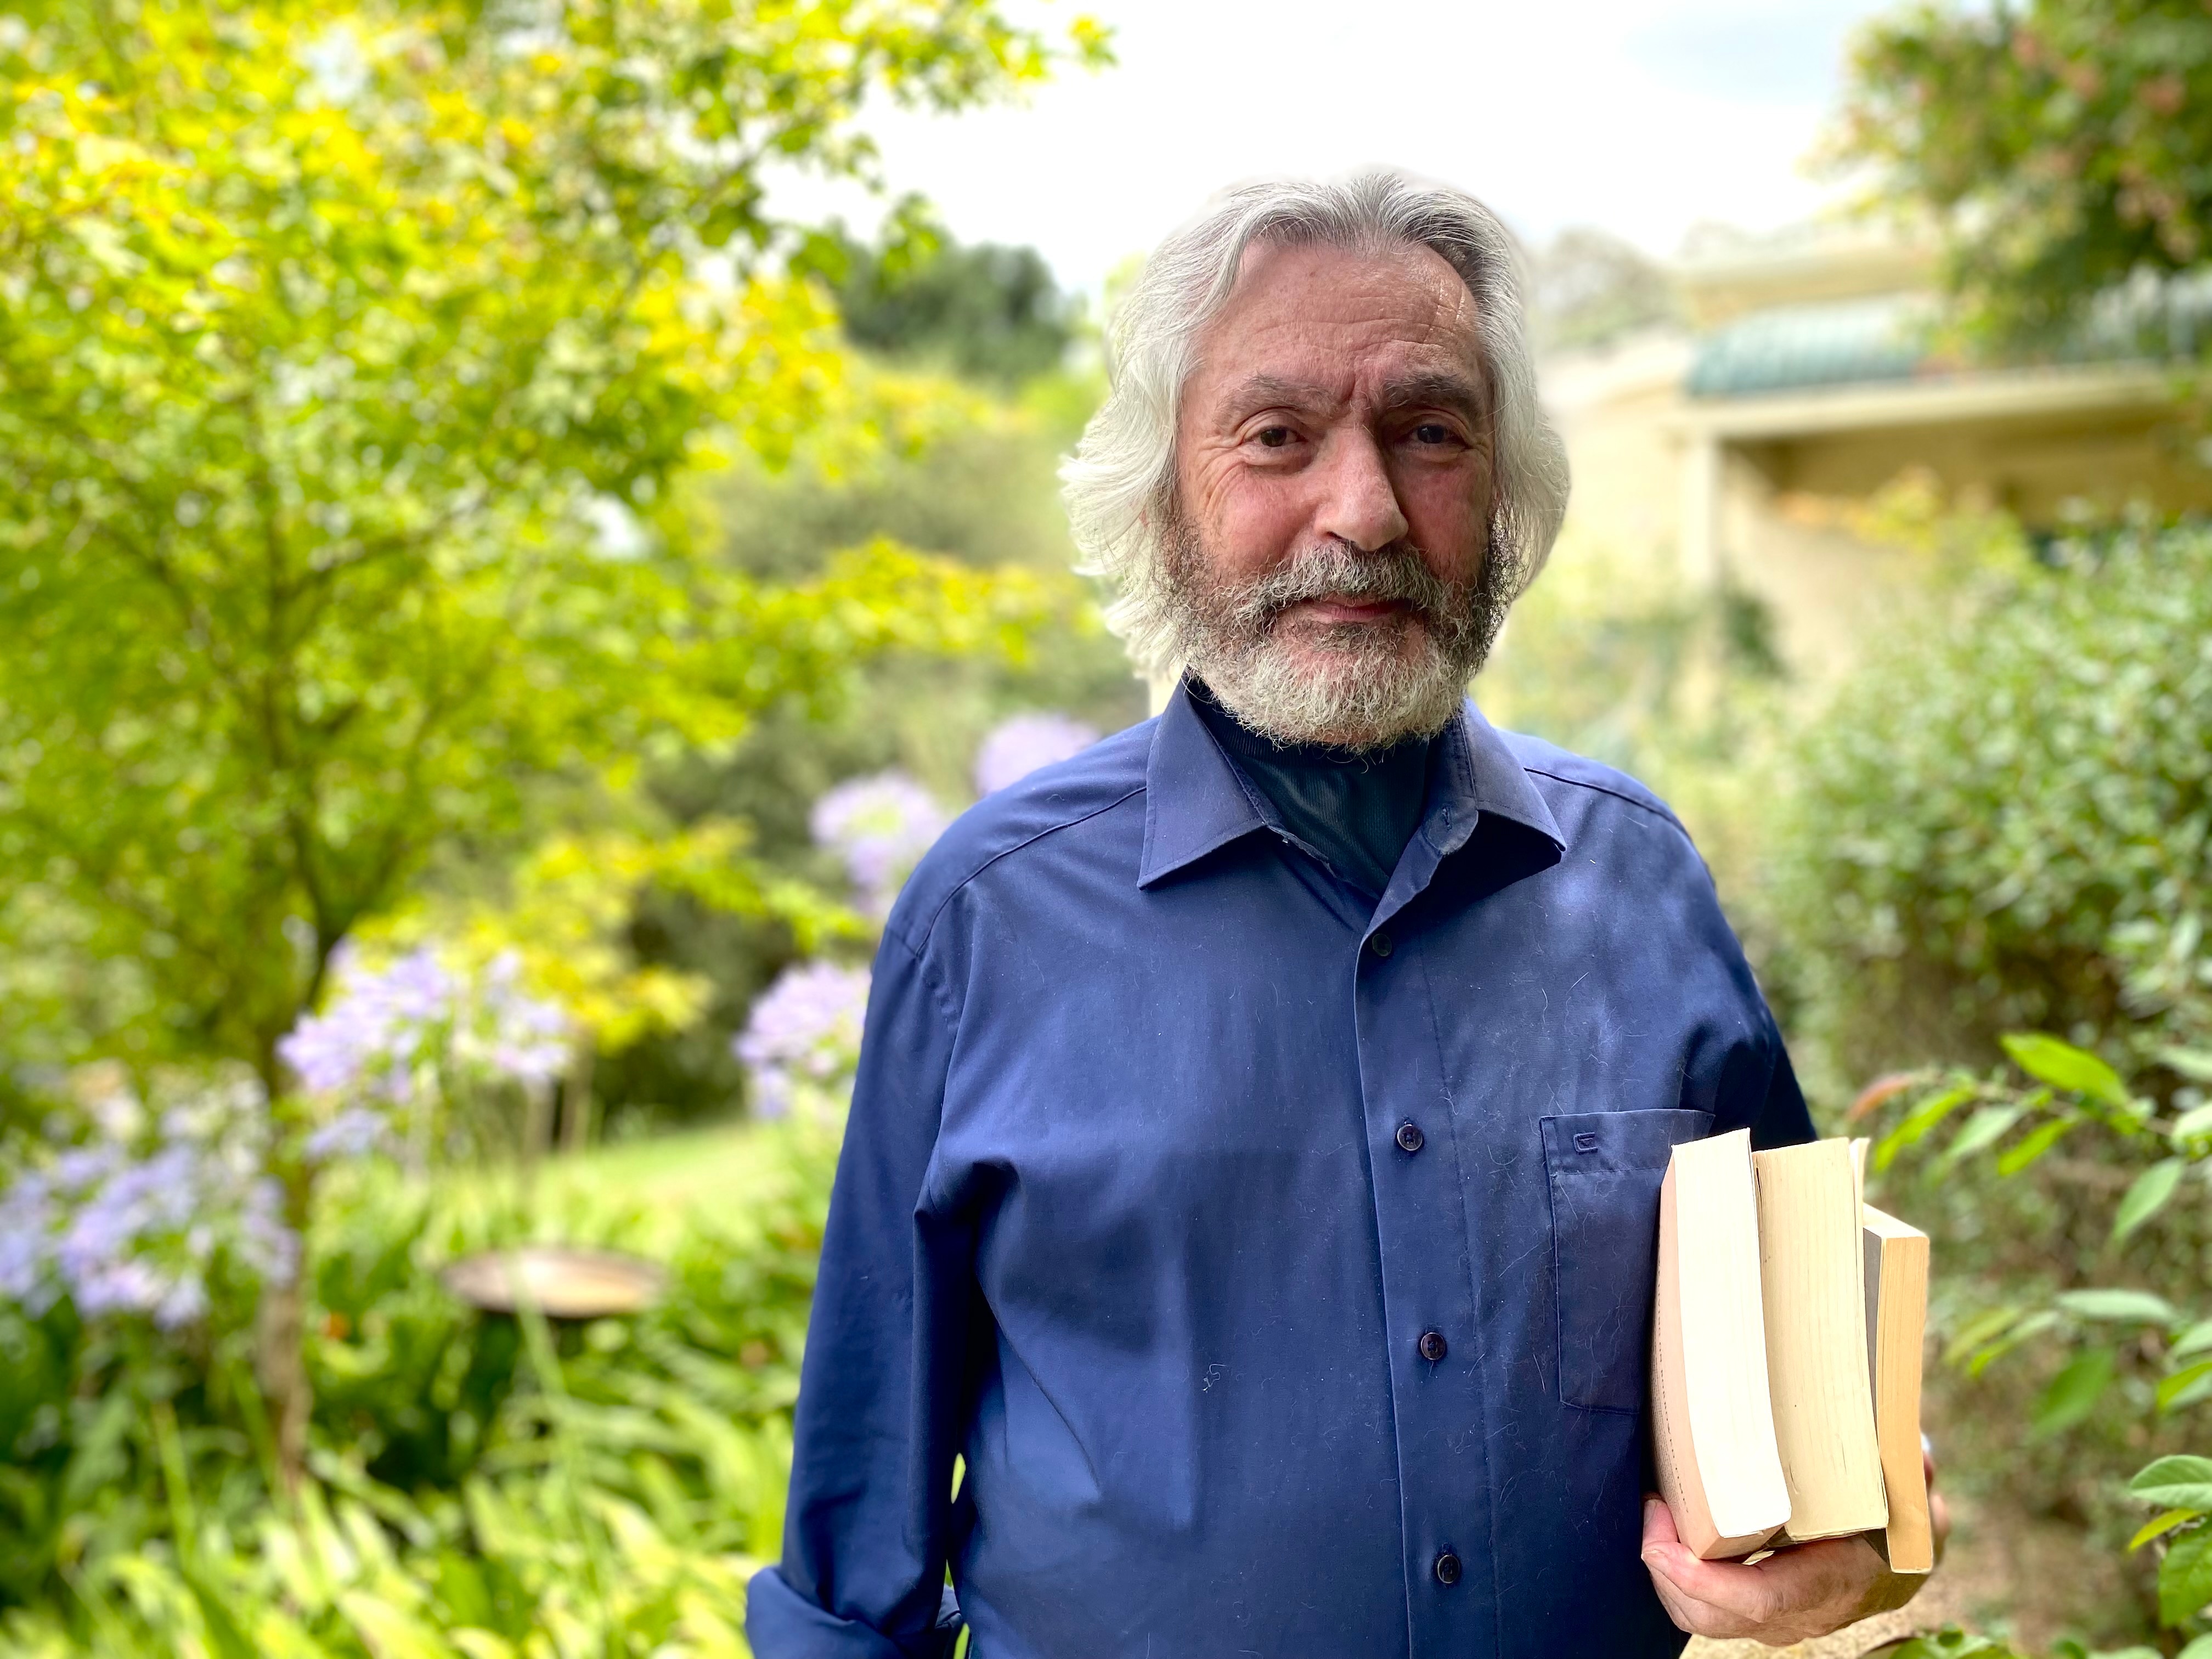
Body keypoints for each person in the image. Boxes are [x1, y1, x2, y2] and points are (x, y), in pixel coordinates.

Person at [746, 170, 1941, 1658]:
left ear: (1504, 492)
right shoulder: (991, 916)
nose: (1364, 509)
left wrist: (1847, 1557)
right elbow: (854, 1561)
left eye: (1431, 433)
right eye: (1277, 438)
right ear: (1161, 497)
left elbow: (1828, 1438)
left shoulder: (1640, 880)